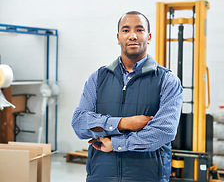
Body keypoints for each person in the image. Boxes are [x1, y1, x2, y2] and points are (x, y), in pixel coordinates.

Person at [72, 11, 183, 182]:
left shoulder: (167, 80)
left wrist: (115, 144)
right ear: (118, 37)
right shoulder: (98, 78)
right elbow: (80, 123)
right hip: (101, 176)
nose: (132, 36)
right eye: (126, 30)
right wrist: (123, 123)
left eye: (139, 30)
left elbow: (163, 131)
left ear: (149, 36)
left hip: (147, 177)